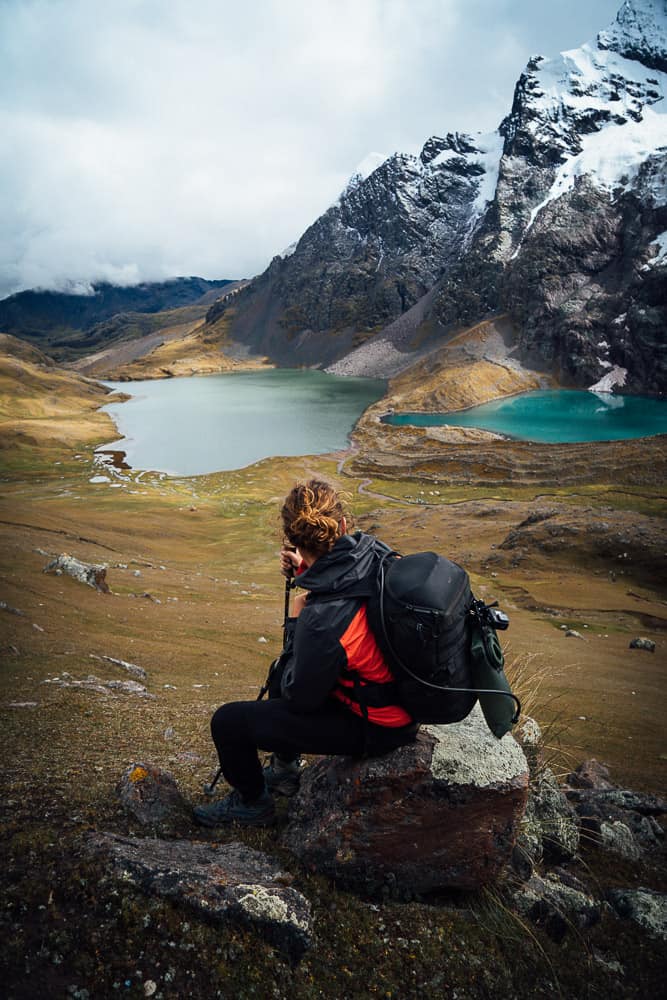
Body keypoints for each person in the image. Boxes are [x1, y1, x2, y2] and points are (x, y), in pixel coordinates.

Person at [193, 478, 419, 827]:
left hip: (379, 727)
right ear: (343, 525)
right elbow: (343, 578)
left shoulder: (322, 620)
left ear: (294, 538)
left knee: (229, 722)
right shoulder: (374, 551)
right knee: (284, 675)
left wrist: (298, 619)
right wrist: (305, 569)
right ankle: (284, 770)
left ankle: (253, 805)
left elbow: (300, 696)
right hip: (404, 700)